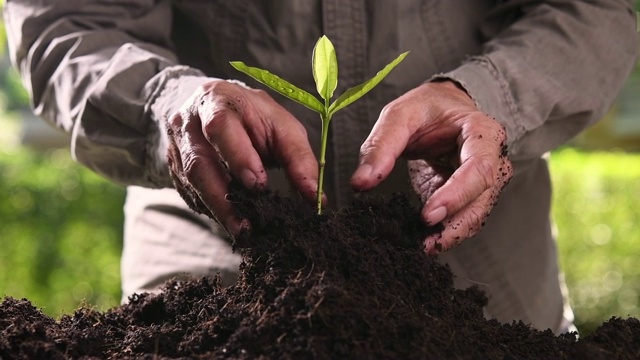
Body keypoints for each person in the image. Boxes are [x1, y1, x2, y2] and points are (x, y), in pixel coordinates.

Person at [4, 0, 637, 335]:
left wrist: (491, 97)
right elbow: (66, 22)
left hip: (475, 251)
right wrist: (168, 103)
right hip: (216, 232)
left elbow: (595, 11)